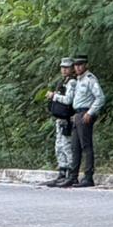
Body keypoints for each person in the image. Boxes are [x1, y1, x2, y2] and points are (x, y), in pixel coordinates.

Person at [59, 54, 105, 188]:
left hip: (85, 113)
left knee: (86, 146)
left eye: (80, 65)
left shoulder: (90, 79)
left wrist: (90, 112)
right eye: (76, 65)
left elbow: (100, 97)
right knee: (75, 147)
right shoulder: (78, 80)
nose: (78, 67)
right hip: (78, 114)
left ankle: (88, 177)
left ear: (86, 65)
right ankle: (73, 177)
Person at [43, 57, 76, 187]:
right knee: (59, 147)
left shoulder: (72, 82)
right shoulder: (63, 82)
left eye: (67, 67)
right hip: (60, 119)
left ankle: (70, 174)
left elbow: (68, 100)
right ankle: (62, 173)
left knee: (67, 146)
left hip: (68, 119)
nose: (64, 70)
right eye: (62, 67)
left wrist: (54, 96)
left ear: (72, 69)